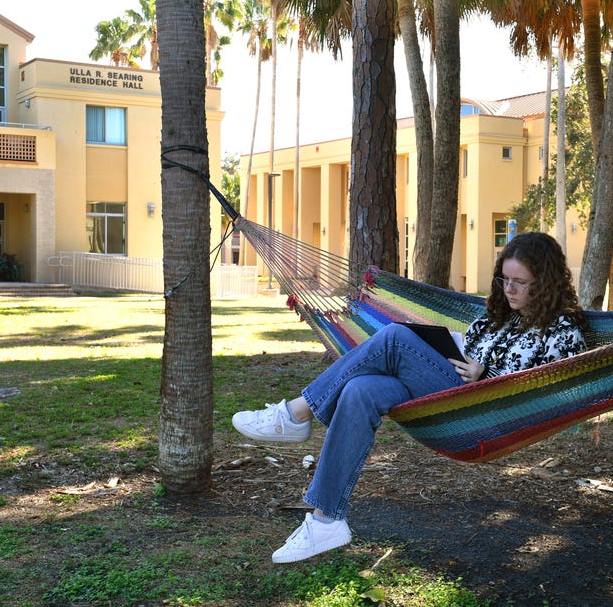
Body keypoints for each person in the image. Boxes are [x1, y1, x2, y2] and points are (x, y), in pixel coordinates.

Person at [232, 231, 587, 564]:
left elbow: (543, 395)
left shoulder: (563, 333)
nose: (509, 289)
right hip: (446, 403)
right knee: (360, 390)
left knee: (394, 337)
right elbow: (467, 355)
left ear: (544, 283)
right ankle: (326, 521)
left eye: (519, 282)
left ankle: (295, 414)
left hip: (484, 415)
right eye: (504, 280)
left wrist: (486, 375)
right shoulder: (496, 318)